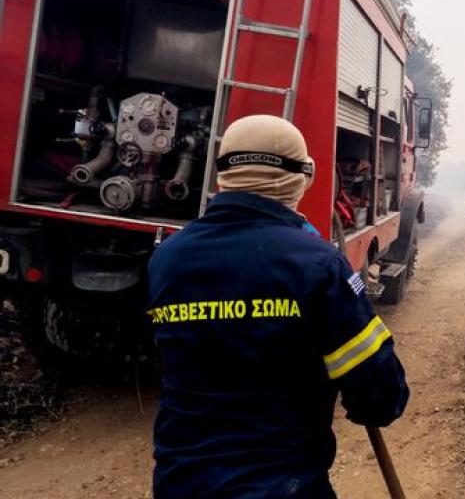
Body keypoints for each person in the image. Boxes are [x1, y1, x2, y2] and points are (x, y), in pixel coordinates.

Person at [147, 115, 408, 499]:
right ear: (301, 178)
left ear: (221, 174)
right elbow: (381, 397)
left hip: (180, 486)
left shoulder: (167, 258)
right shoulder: (317, 265)